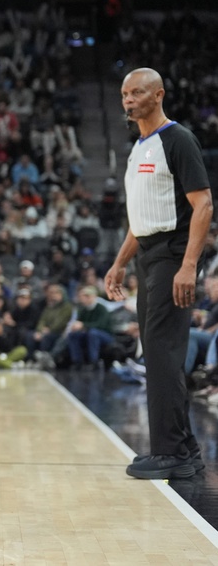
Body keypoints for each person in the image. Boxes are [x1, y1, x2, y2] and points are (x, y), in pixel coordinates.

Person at [104, 67, 213, 480]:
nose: (128, 101)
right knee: (157, 353)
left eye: (136, 93)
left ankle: (170, 453)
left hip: (173, 256)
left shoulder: (178, 140)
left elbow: (202, 205)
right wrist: (118, 262)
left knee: (164, 354)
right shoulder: (139, 147)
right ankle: (184, 448)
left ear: (158, 94)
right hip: (149, 255)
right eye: (124, 95)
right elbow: (141, 219)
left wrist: (188, 264)